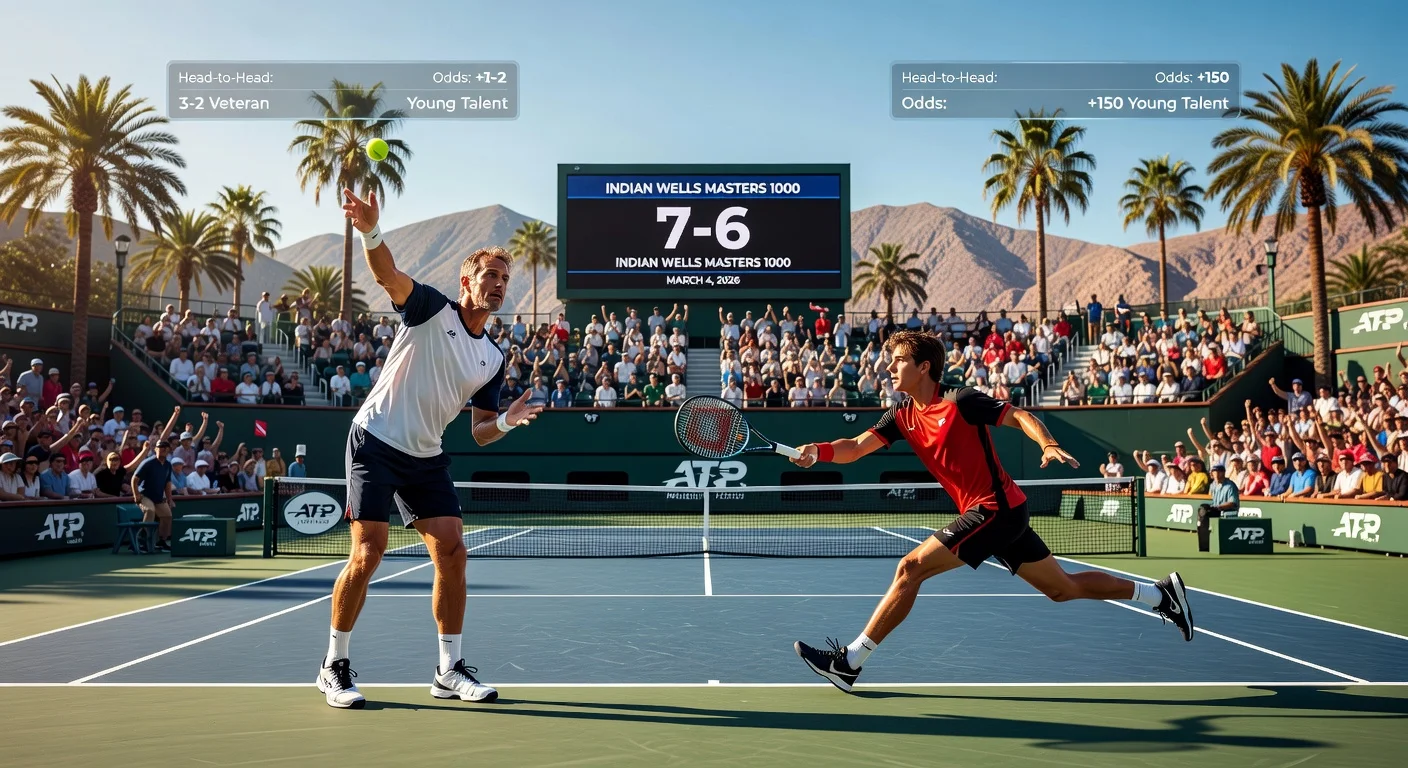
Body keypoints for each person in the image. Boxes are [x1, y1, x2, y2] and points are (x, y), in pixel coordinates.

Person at [788, 330, 1193, 693]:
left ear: (924, 366)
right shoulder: (901, 415)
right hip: (1002, 513)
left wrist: (1046, 443)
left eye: (898, 360)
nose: (889, 366)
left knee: (910, 569)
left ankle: (849, 663)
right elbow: (856, 447)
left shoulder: (960, 401)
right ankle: (1160, 595)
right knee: (1062, 589)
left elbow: (1018, 415)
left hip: (995, 509)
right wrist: (817, 452)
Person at [319, 189, 544, 710]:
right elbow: (386, 275)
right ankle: (334, 666)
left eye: (505, 279)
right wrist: (371, 231)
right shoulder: (428, 309)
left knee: (453, 552)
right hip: (375, 439)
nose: (499, 285)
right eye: (491, 276)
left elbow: (480, 432)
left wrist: (506, 422)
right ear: (467, 281)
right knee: (369, 551)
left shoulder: (492, 356)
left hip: (425, 454)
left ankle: (448, 670)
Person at [1197, 463, 1240, 552]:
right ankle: (1205, 546)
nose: (1216, 474)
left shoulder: (1230, 486)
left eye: (1218, 472)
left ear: (1223, 473)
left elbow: (1232, 503)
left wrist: (1217, 507)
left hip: (1229, 512)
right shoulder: (1213, 485)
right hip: (1217, 510)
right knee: (1202, 511)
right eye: (1214, 472)